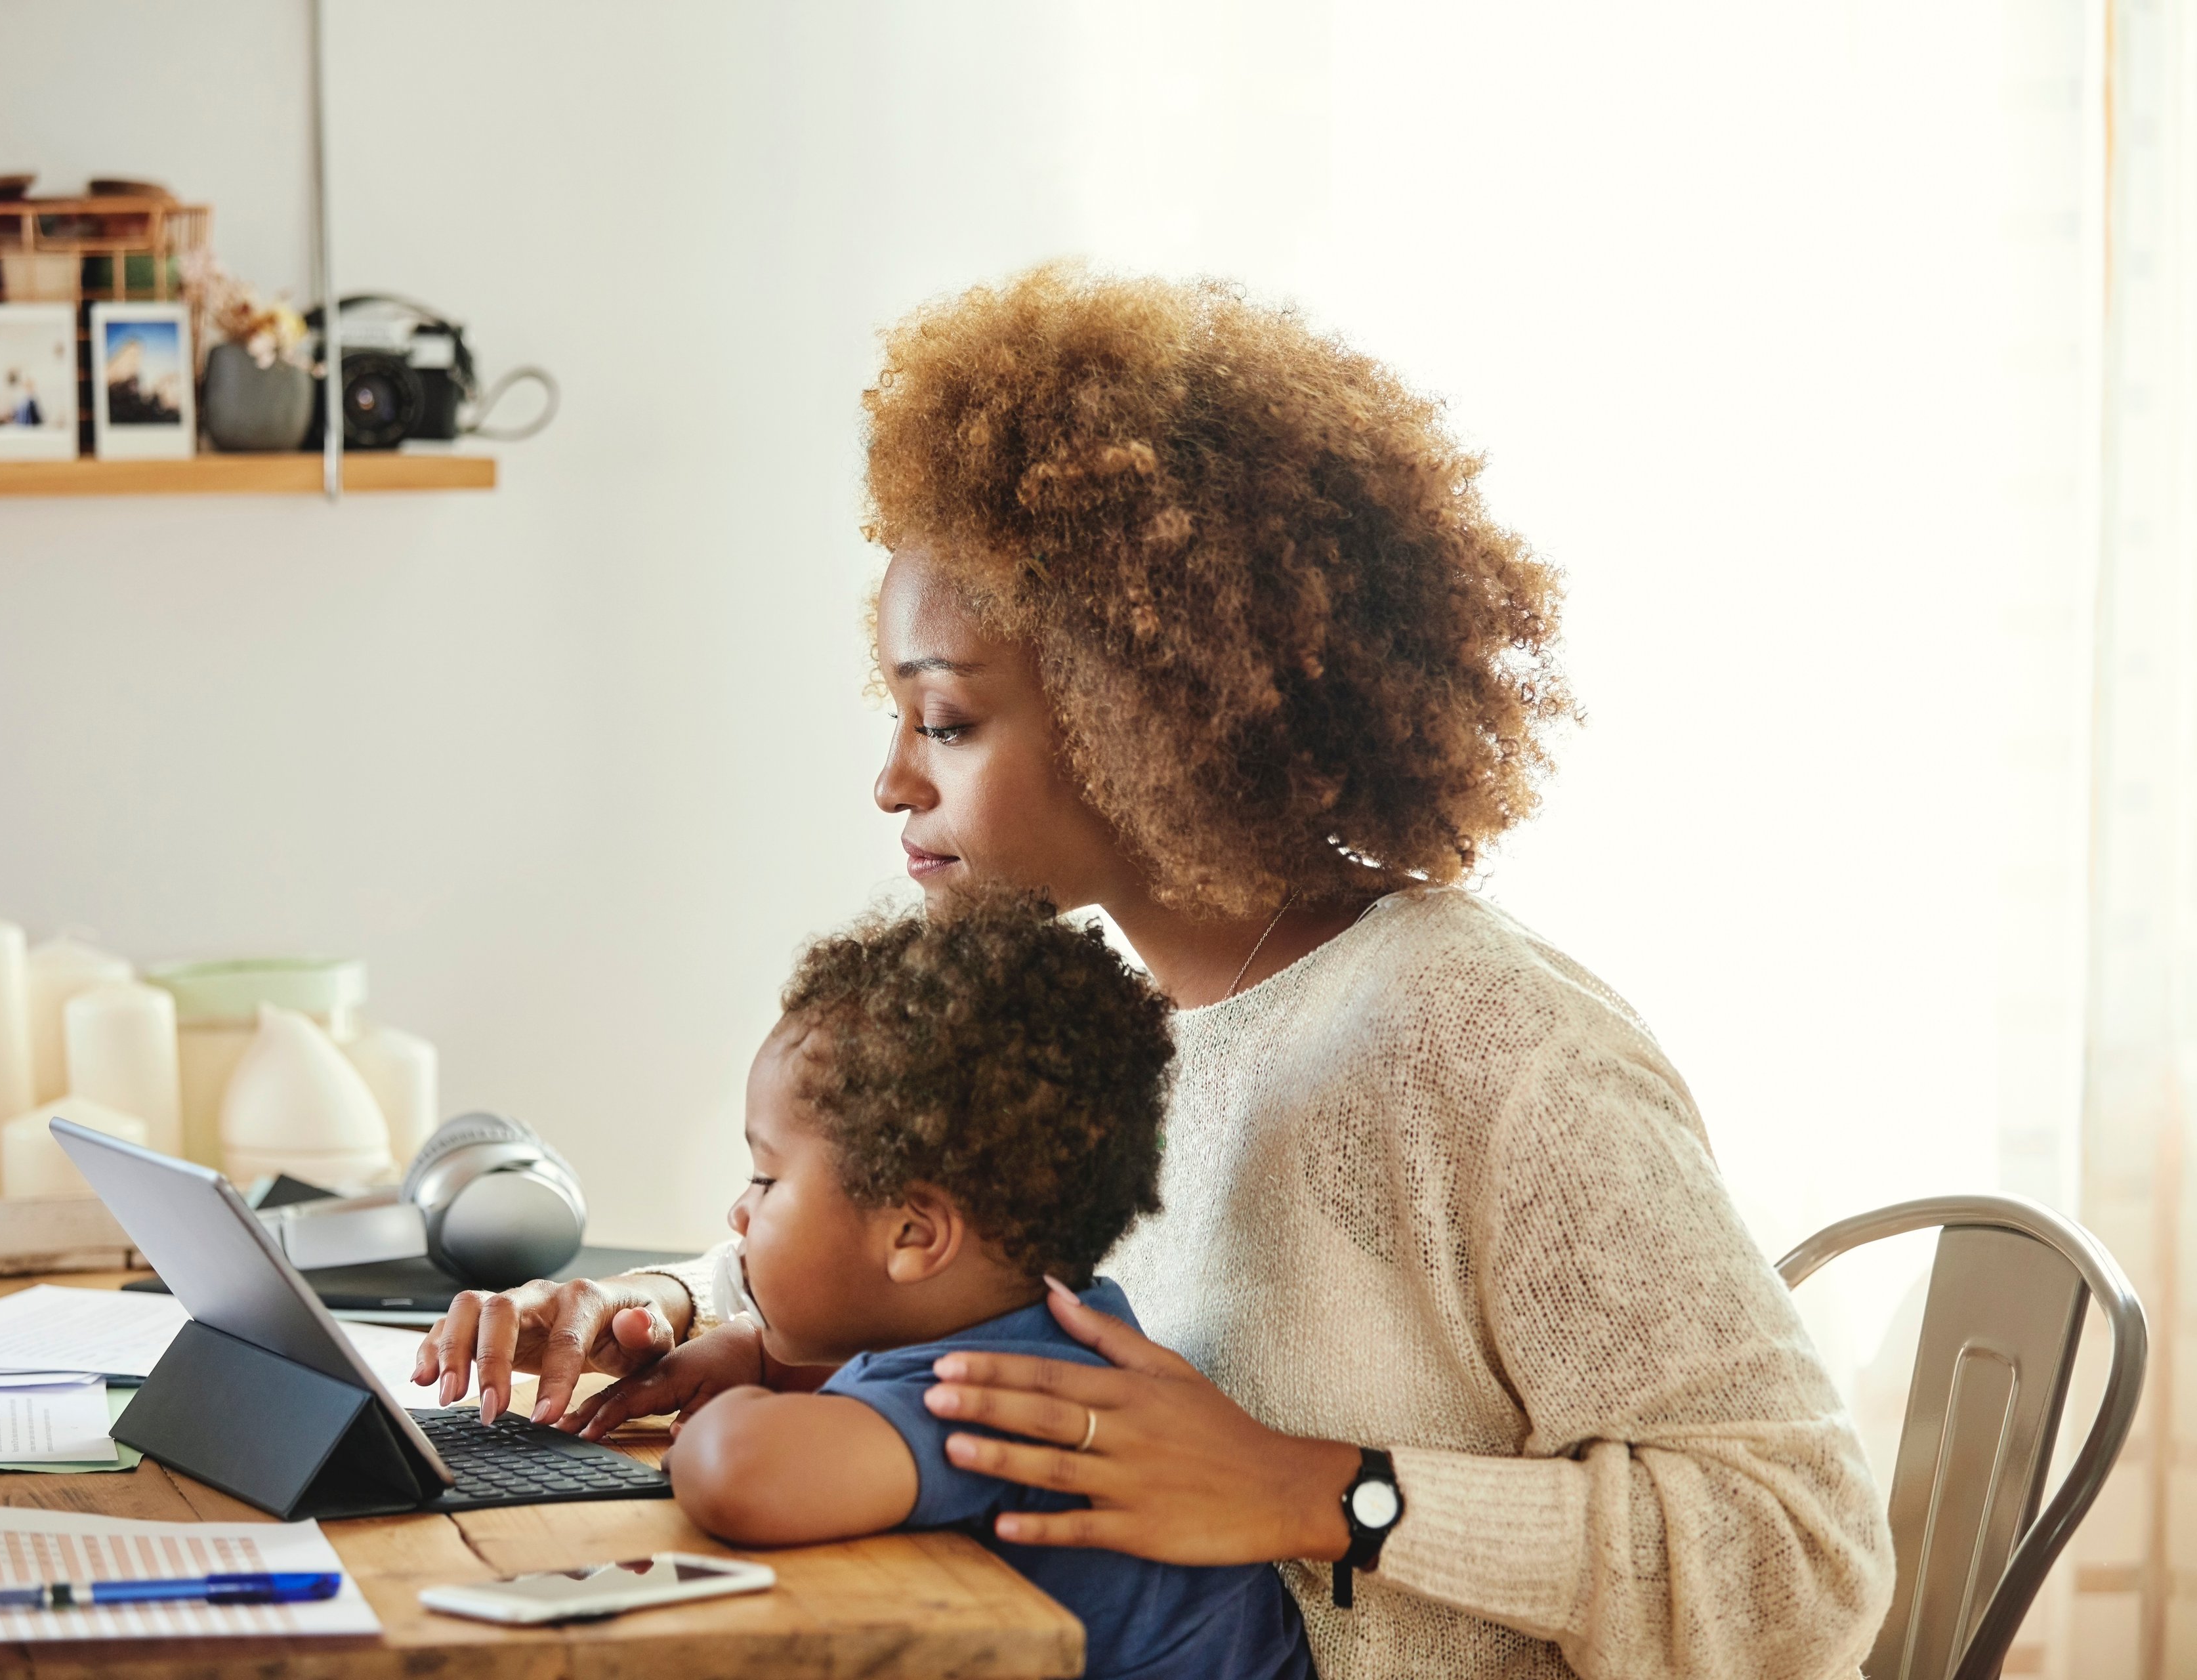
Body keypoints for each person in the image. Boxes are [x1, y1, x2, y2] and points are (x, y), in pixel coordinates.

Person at [415, 264, 1893, 1679]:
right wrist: (666, 1310)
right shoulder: (1121, 1022)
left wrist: (1324, 1492)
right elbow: (940, 1257)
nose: (889, 782)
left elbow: (1803, 1562)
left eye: (947, 722)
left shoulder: (1486, 1041)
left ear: (1149, 707)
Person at [608, 889, 1314, 1680]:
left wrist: (730, 1418)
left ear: (915, 1235)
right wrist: (763, 1360)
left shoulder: (997, 1394)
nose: (740, 1212)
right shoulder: (1070, 1324)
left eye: (766, 1177)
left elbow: (741, 1472)